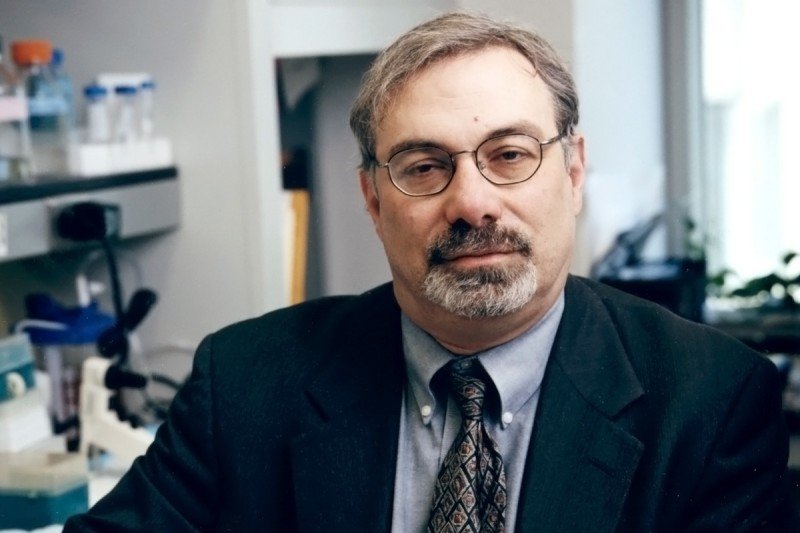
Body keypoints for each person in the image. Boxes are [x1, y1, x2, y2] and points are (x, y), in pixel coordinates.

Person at [64, 11, 797, 532]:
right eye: (423, 166)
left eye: (510, 155)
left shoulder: (711, 399)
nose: (471, 202)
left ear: (574, 172)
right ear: (373, 200)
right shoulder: (245, 381)